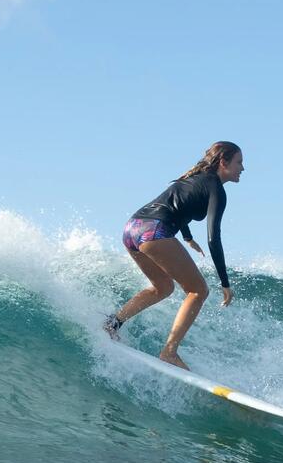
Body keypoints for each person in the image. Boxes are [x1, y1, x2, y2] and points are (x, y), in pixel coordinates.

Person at [104, 141, 243, 370]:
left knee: (163, 287)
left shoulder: (192, 179)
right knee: (198, 290)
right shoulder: (216, 188)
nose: (242, 168)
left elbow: (177, 207)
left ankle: (113, 323)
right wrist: (225, 283)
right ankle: (169, 352)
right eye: (239, 162)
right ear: (223, 162)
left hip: (132, 228)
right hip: (154, 231)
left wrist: (187, 238)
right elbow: (213, 238)